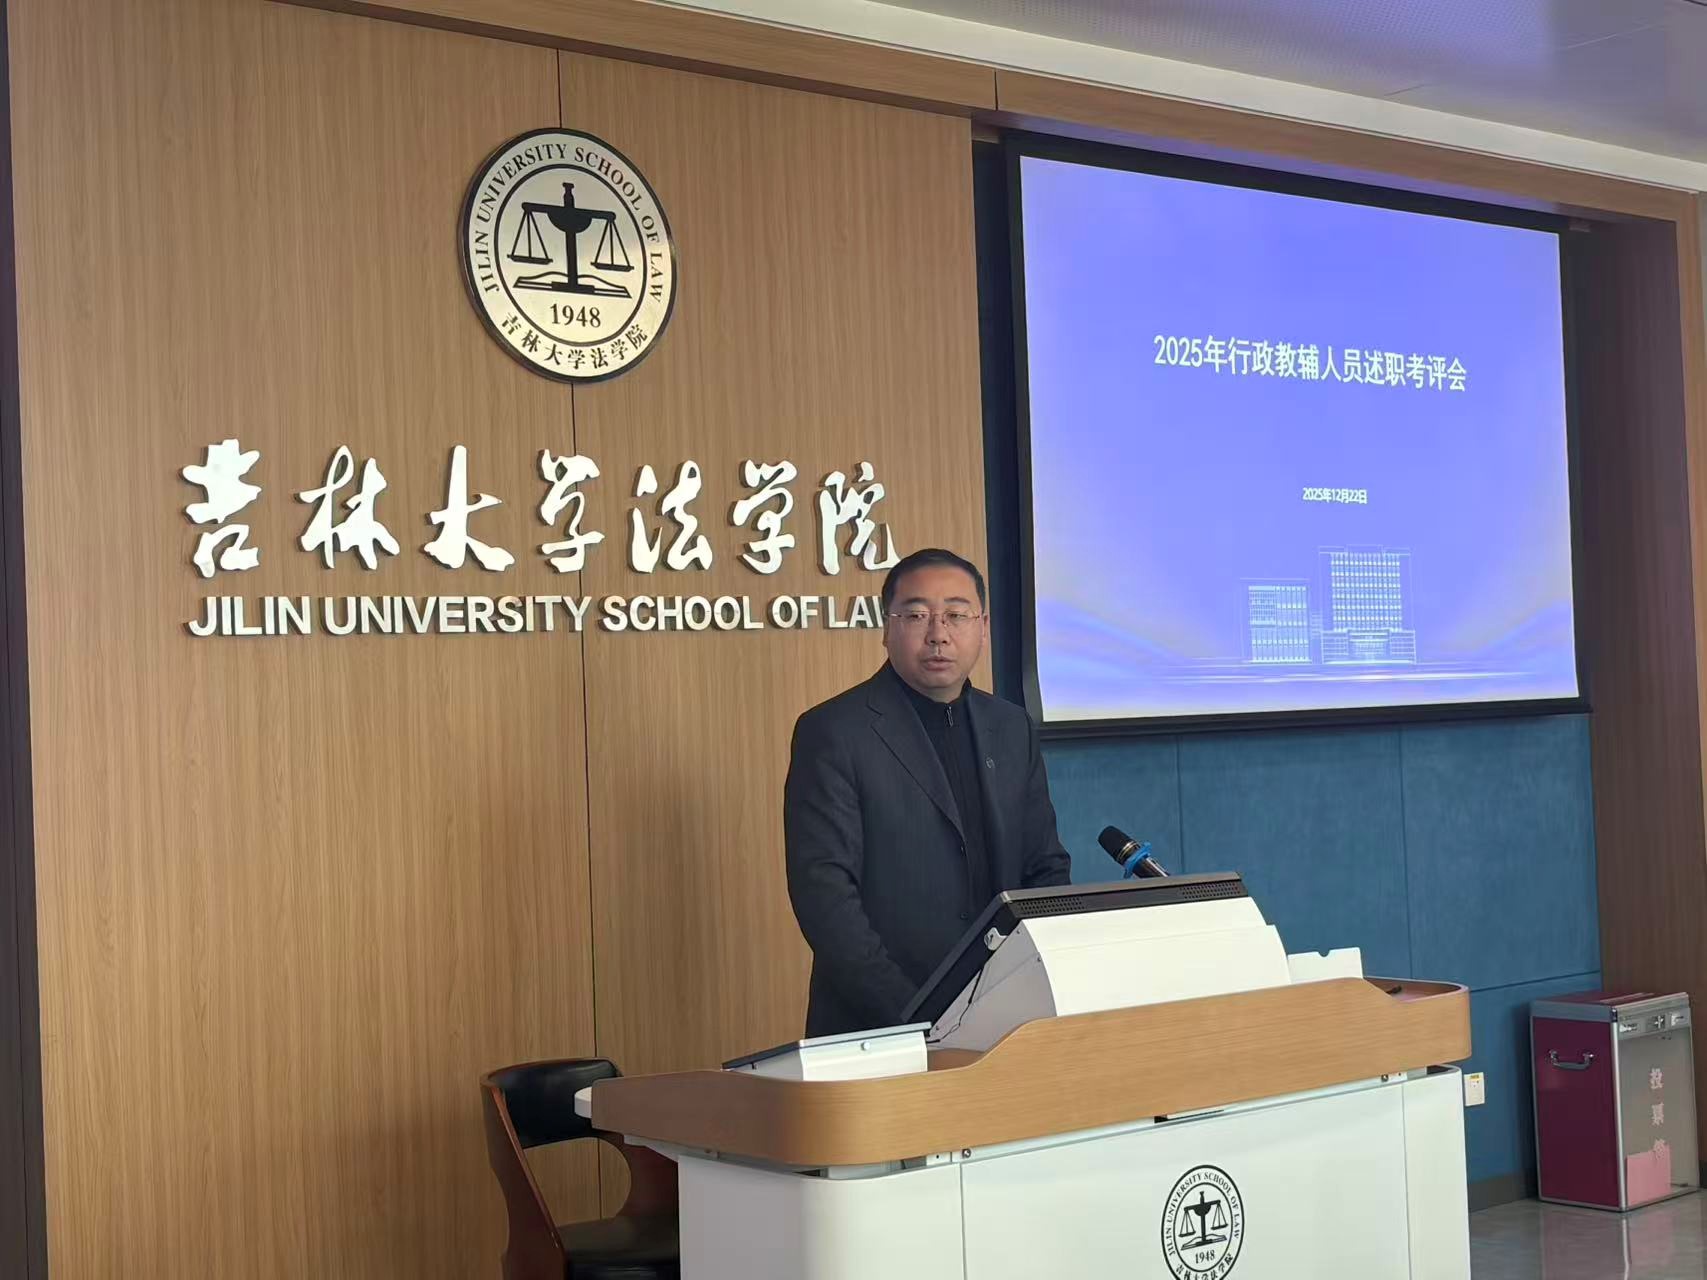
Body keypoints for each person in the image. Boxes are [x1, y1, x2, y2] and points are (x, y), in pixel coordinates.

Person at [784, 547, 1073, 1037]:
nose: (938, 633)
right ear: (886, 628)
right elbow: (826, 898)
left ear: (983, 627)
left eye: (956, 615)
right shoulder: (834, 731)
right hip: (879, 1027)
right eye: (917, 615)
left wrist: (1034, 989)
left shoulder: (1011, 727)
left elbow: (1044, 867)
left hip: (1008, 1018)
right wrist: (919, 1019)